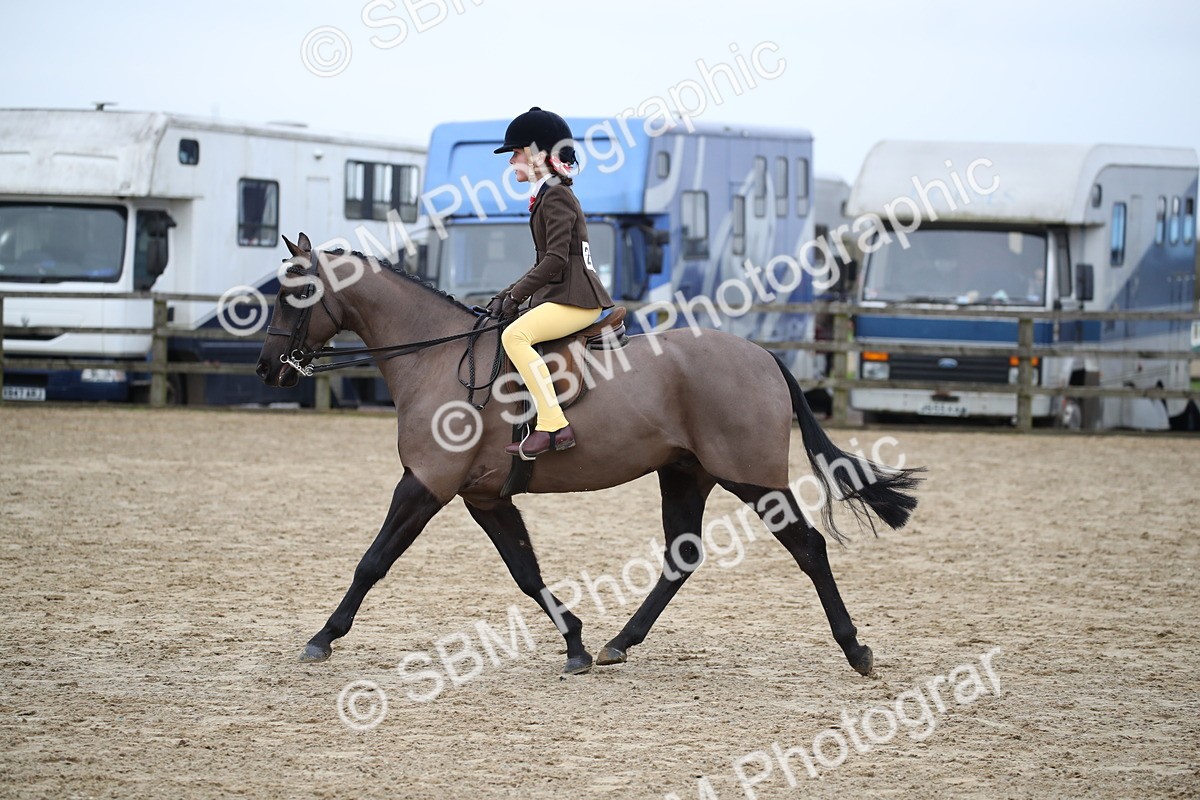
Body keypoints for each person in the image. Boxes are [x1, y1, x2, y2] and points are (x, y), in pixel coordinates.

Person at [488, 107, 614, 459]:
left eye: (515, 153)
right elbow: (543, 262)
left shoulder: (556, 195)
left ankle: (553, 425)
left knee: (514, 336)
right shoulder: (548, 194)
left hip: (576, 299)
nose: (512, 161)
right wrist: (504, 296)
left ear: (538, 155)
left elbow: (556, 259)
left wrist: (515, 296)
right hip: (563, 295)